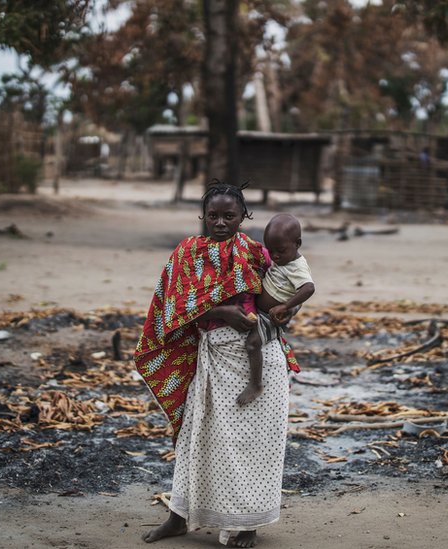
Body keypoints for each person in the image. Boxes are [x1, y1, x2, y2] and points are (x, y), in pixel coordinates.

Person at [135, 182, 299, 548]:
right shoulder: (188, 254)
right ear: (202, 217)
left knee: (255, 444)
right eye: (213, 215)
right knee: (198, 439)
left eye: (229, 215)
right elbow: (171, 310)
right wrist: (222, 310)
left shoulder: (257, 254)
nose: (221, 222)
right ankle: (178, 517)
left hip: (259, 358)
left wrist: (275, 315)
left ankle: (248, 524)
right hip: (213, 358)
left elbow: (285, 295)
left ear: (244, 217)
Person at [237, 214, 315, 406]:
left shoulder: (297, 267)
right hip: (260, 309)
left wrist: (286, 306)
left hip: (269, 318)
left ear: (297, 244)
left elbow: (308, 288)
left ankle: (256, 384)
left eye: (280, 251)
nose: (275, 256)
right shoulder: (281, 260)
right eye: (271, 251)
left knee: (252, 344)